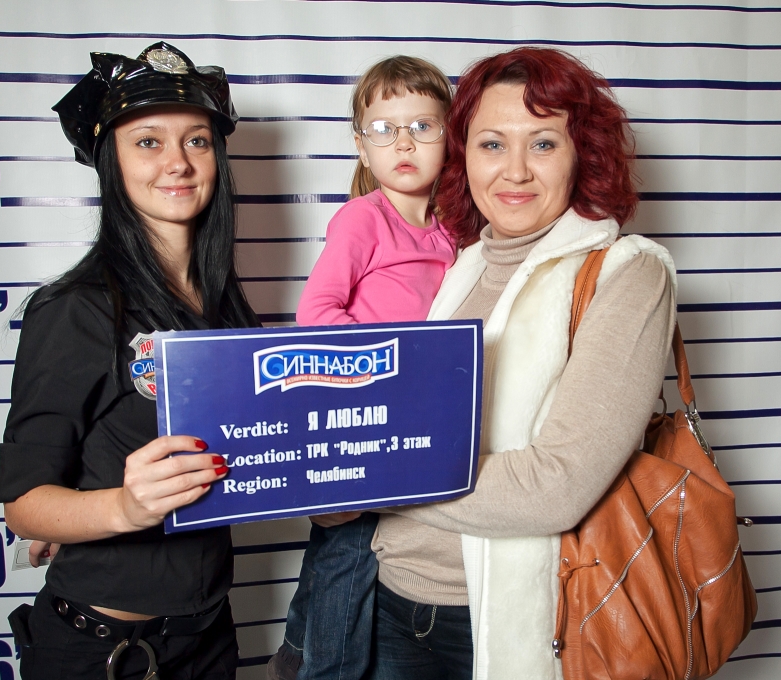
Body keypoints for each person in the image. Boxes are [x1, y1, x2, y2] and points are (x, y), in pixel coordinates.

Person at [368, 47, 678, 680]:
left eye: (542, 144)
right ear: (463, 156)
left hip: (509, 620)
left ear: (581, 154)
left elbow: (553, 490)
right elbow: (409, 434)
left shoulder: (628, 274)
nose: (514, 171)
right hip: (391, 600)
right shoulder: (461, 265)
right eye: (491, 144)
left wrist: (366, 474)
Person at [0, 42, 260, 680]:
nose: (178, 161)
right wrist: (123, 508)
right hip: (107, 652)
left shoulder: (227, 308)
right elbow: (24, 505)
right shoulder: (76, 308)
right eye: (148, 142)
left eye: (197, 140)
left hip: (210, 638)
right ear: (111, 163)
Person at [267, 57, 455, 680]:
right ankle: (322, 669)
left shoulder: (454, 230)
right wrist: (390, 362)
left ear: (450, 136)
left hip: (417, 417)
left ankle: (294, 655)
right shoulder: (363, 218)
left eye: (423, 126)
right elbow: (316, 314)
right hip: (359, 408)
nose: (404, 143)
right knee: (349, 551)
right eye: (384, 129)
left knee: (364, 550)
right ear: (360, 145)